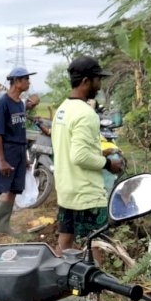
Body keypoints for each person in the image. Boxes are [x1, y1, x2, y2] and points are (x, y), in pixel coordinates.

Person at [51, 55, 123, 254]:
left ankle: (60, 282)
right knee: (97, 245)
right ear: (86, 81)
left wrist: (99, 151)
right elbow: (80, 156)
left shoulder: (62, 110)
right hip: (87, 195)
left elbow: (69, 148)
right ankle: (95, 284)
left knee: (65, 242)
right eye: (97, 79)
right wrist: (109, 164)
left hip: (67, 191)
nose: (99, 85)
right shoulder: (86, 113)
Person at [0, 67, 36, 235]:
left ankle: (3, 225)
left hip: (19, 150)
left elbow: (21, 131)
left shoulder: (20, 104)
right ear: (16, 82)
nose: (28, 83)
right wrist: (1, 160)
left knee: (14, 188)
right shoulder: (3, 103)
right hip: (7, 150)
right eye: (25, 79)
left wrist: (24, 157)